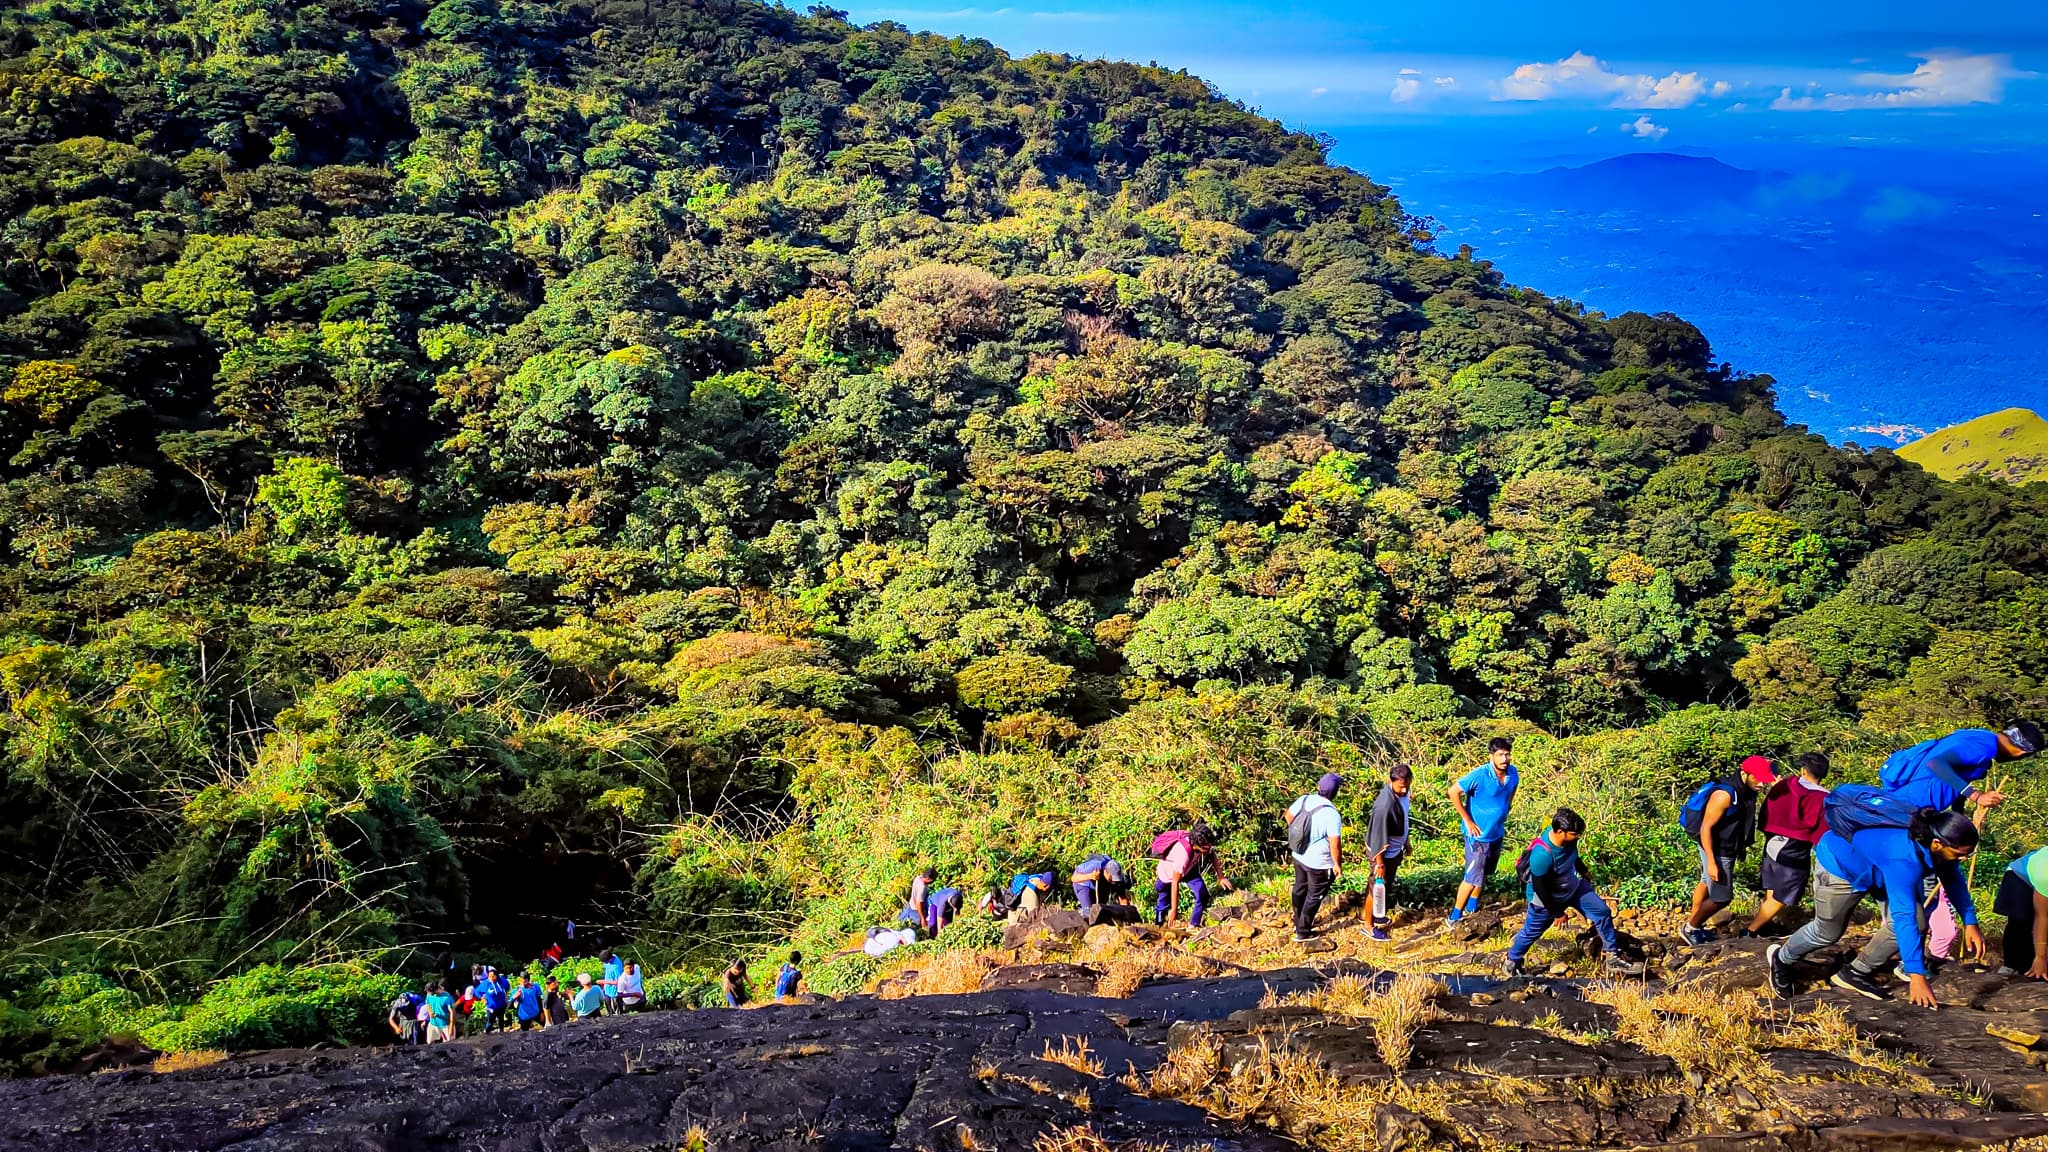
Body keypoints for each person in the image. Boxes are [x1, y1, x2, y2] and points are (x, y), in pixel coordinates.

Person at [1766, 799, 1982, 1008]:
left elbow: (1953, 879)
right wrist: (1917, 976)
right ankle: (1782, 958)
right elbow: (1903, 915)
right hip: (1842, 867)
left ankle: (1854, 973)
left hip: (1881, 869)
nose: (1964, 858)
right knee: (1827, 932)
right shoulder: (1904, 857)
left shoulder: (1939, 850)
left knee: (1917, 923)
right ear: (1937, 843)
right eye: (1961, 854)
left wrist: (1970, 922)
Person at [1502, 808, 1645, 977]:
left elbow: (1573, 855)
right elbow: (1540, 888)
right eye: (1574, 834)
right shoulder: (1542, 855)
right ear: (1560, 832)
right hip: (1547, 899)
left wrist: (1582, 870)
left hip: (1572, 887)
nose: (1577, 837)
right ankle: (1512, 962)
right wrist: (1557, 913)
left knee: (1602, 911)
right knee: (1532, 932)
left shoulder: (1569, 839)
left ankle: (1612, 956)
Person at [1680, 755, 1773, 945]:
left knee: (1706, 881)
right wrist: (1713, 862)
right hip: (1717, 848)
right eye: (1758, 778)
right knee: (1722, 897)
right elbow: (1705, 828)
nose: (1762, 784)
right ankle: (1690, 928)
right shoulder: (1725, 795)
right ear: (1744, 773)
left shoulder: (1746, 789)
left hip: (1726, 845)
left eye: (1765, 779)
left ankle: (1696, 925)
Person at [1745, 753, 1831, 937]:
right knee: (1785, 892)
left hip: (1773, 841)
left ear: (1803, 770)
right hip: (1795, 847)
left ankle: (1764, 926)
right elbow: (1823, 830)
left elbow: (1769, 807)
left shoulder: (1786, 785)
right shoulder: (1824, 798)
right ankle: (1750, 931)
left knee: (1773, 885)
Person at [1879, 722, 2040, 815]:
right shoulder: (1985, 746)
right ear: (2022, 752)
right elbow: (1936, 764)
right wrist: (1977, 796)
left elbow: (1957, 778)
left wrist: (1958, 816)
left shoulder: (1980, 736)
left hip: (1910, 802)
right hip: (1911, 805)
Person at [1448, 738, 1519, 923]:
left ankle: (1473, 905)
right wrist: (1468, 820)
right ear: (1491, 756)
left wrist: (1507, 808)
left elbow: (1513, 789)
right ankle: (1455, 915)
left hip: (1496, 832)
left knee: (1485, 872)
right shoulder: (1480, 775)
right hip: (1478, 836)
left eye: (1507, 754)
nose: (1504, 759)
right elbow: (1453, 791)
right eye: (1500, 755)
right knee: (1471, 877)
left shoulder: (1513, 773)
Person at [1285, 772, 1346, 942]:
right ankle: (1303, 931)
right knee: (1314, 895)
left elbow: (1288, 817)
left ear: (1319, 787)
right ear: (1335, 793)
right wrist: (1337, 864)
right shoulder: (1332, 814)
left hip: (1299, 854)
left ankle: (1298, 921)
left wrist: (1302, 836)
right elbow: (1335, 844)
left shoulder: (1304, 799)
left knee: (1299, 887)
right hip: (1319, 863)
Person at [1365, 764, 1414, 941]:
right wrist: (1379, 864)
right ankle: (1368, 926)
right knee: (1375, 888)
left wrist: (1406, 842)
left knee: (1384, 886)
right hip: (1381, 854)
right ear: (1390, 782)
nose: (1405, 789)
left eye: (1407, 785)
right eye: (1401, 786)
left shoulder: (1405, 793)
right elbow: (1378, 838)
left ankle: (1377, 914)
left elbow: (1404, 818)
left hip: (1394, 851)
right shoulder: (1383, 806)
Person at [1153, 822, 1234, 927]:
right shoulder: (1182, 854)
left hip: (1189, 870)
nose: (1208, 848)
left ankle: (1193, 925)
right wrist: (1174, 910)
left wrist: (1221, 877)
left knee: (1202, 894)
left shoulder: (1203, 843)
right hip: (1167, 875)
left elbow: (1212, 854)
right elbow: (1175, 882)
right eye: (1205, 847)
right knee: (1163, 901)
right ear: (1196, 845)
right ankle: (1158, 927)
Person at [1071, 854, 1134, 921]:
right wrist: (1091, 876)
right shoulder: (1094, 866)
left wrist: (1126, 914)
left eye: (1115, 879)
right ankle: (1081, 914)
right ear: (1106, 872)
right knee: (1089, 914)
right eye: (1111, 878)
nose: (1113, 881)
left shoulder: (1117, 879)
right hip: (1084, 884)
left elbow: (1123, 898)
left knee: (1102, 912)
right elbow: (1074, 878)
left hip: (1101, 886)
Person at [601, 949, 625, 1015]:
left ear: (610, 959)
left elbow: (618, 982)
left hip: (614, 993)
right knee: (609, 1011)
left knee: (617, 1013)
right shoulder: (613, 956)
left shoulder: (617, 967)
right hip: (607, 989)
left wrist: (604, 981)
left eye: (605, 962)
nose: (604, 964)